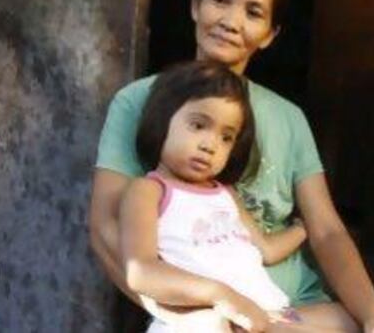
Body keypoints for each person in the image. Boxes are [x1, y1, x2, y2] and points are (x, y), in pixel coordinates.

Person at [89, 0, 374, 332]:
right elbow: (105, 226)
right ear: (195, 5)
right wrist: (176, 311)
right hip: (209, 310)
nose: (232, 21)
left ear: (270, 35)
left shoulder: (288, 118)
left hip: (294, 309)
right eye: (221, 0)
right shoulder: (139, 101)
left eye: (253, 12)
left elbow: (327, 231)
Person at [120, 60, 354, 332]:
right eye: (198, 125)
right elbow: (141, 271)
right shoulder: (148, 191)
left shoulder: (225, 194)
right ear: (162, 120)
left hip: (269, 315)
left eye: (226, 137)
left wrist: (303, 228)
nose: (210, 145)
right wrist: (221, 295)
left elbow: (266, 250)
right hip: (207, 315)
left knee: (345, 318)